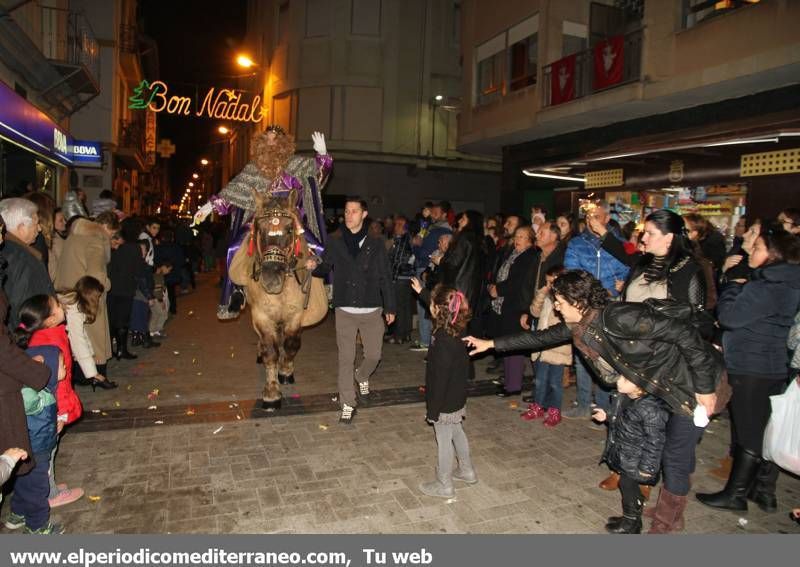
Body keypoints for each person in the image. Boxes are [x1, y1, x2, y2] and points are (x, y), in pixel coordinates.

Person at [464, 270, 723, 534]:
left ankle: (667, 524)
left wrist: (704, 388)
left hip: (690, 384)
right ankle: (634, 519)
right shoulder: (580, 326)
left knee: (674, 458)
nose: (556, 307)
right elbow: (538, 338)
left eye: (560, 302)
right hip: (650, 388)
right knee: (627, 451)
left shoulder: (619, 316)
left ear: (577, 301)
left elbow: (683, 334)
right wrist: (491, 343)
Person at [696, 228, 800, 513]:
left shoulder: (768, 286)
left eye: (757, 248)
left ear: (773, 254)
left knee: (748, 432)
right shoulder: (783, 282)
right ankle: (756, 489)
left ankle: (735, 494)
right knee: (756, 428)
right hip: (766, 364)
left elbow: (729, 317)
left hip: (753, 366)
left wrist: (731, 286)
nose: (750, 252)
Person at [194, 127, 332, 320]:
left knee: (317, 246)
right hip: (260, 219)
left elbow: (318, 176)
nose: (271, 144)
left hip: (290, 217)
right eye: (267, 140)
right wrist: (209, 206)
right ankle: (237, 292)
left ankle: (324, 288)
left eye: (275, 140)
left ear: (284, 144)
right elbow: (234, 191)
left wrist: (323, 155)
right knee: (233, 248)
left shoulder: (297, 164)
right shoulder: (253, 169)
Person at [308, 197, 396, 424]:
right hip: (345, 308)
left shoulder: (376, 243)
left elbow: (386, 276)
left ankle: (362, 375)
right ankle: (347, 402)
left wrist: (390, 306)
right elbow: (326, 267)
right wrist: (313, 266)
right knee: (346, 359)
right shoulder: (335, 241)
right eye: (347, 211)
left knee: (374, 355)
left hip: (371, 307)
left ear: (364, 214)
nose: (349, 215)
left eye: (354, 211)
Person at [14, 294, 84, 508]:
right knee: (46, 454)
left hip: (38, 411)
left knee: (43, 455)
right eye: (57, 306)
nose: (62, 306)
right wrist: (61, 413)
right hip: (48, 411)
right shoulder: (52, 343)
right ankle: (50, 494)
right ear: (50, 320)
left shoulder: (37, 337)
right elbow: (58, 384)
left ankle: (47, 486)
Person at [563, 202, 629, 418]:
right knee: (583, 356)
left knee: (606, 356)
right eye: (589, 216)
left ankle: (603, 404)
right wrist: (601, 291)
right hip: (584, 307)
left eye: (597, 216)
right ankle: (583, 403)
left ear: (606, 219)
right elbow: (573, 274)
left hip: (611, 307)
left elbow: (627, 270)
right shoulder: (577, 244)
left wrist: (614, 289)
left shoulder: (619, 244)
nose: (592, 221)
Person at [417, 285, 477, 498]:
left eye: (432, 304)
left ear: (437, 310)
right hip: (457, 395)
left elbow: (439, 379)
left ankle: (444, 484)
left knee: (443, 440)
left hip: (444, 399)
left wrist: (433, 410)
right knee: (457, 431)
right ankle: (467, 470)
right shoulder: (458, 331)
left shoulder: (442, 340)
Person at [592, 376, 670, 534]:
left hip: (637, 457)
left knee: (627, 486)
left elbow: (655, 441)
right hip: (627, 453)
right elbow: (624, 421)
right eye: (620, 378)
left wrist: (647, 468)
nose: (619, 382)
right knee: (627, 485)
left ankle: (631, 524)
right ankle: (631, 518)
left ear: (639, 387)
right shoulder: (626, 397)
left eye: (625, 380)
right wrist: (607, 417)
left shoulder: (650, 408)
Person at [5, 343, 64, 534]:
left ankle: (18, 513)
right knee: (37, 487)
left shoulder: (42, 390)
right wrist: (35, 368)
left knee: (23, 481)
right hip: (37, 447)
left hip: (31, 445)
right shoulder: (33, 391)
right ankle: (37, 526)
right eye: (62, 365)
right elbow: (30, 402)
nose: (64, 369)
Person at [54, 211, 118, 381]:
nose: (111, 238)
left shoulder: (76, 234)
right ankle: (96, 375)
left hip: (67, 291)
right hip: (86, 294)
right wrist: (107, 284)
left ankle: (80, 374)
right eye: (112, 233)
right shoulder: (96, 239)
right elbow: (96, 274)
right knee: (93, 336)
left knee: (77, 335)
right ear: (105, 227)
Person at [488, 226, 537, 397]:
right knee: (507, 345)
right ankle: (509, 382)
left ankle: (514, 386)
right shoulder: (514, 253)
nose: (518, 239)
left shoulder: (529, 256)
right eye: (517, 236)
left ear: (530, 240)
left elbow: (518, 282)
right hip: (506, 303)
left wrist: (499, 289)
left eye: (522, 236)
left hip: (517, 305)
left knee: (513, 346)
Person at [521, 264, 569, 427]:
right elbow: (534, 312)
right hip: (542, 345)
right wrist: (541, 293)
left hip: (558, 347)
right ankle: (538, 406)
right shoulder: (547, 295)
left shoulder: (567, 299)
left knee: (555, 382)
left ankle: (555, 410)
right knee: (540, 380)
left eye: (552, 282)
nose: (549, 286)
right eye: (547, 282)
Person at [0, 198, 54, 329]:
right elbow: (24, 309)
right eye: (36, 223)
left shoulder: (6, 250)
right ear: (21, 227)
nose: (40, 229)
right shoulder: (24, 261)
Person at [59, 277, 117, 391]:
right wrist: (94, 373)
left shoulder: (75, 304)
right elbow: (78, 342)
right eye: (97, 296)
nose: (99, 299)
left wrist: (91, 353)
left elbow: (82, 334)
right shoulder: (73, 310)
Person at [410, 203, 452, 351]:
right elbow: (418, 243)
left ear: (444, 214)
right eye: (431, 211)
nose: (432, 214)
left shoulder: (442, 230)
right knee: (424, 304)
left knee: (426, 304)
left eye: (435, 211)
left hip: (430, 269)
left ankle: (426, 341)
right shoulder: (430, 227)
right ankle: (425, 339)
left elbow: (423, 252)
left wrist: (416, 246)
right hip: (425, 268)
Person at [439, 210, 487, 335]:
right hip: (470, 291)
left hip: (457, 289)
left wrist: (442, 260)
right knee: (464, 325)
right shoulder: (479, 240)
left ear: (471, 222)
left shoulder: (464, 238)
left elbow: (453, 263)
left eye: (463, 219)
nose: (459, 220)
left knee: (452, 326)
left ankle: (451, 353)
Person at [386, 216, 414, 344]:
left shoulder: (403, 240)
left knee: (398, 307)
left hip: (400, 277)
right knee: (405, 307)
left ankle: (399, 335)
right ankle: (405, 334)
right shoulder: (407, 239)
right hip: (407, 277)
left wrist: (393, 277)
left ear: (403, 226)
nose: (395, 226)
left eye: (398, 224)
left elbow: (399, 260)